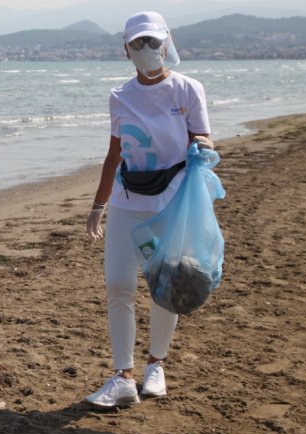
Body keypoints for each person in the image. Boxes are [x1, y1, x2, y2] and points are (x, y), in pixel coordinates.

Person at [84, 12, 215, 408]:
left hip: (172, 204)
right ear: (126, 50)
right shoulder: (120, 97)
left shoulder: (188, 90)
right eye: (138, 44)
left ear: (167, 42)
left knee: (166, 287)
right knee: (118, 285)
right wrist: (97, 206)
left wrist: (205, 146)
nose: (147, 51)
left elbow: (203, 135)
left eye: (153, 42)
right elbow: (113, 155)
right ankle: (123, 376)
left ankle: (155, 366)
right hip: (128, 202)